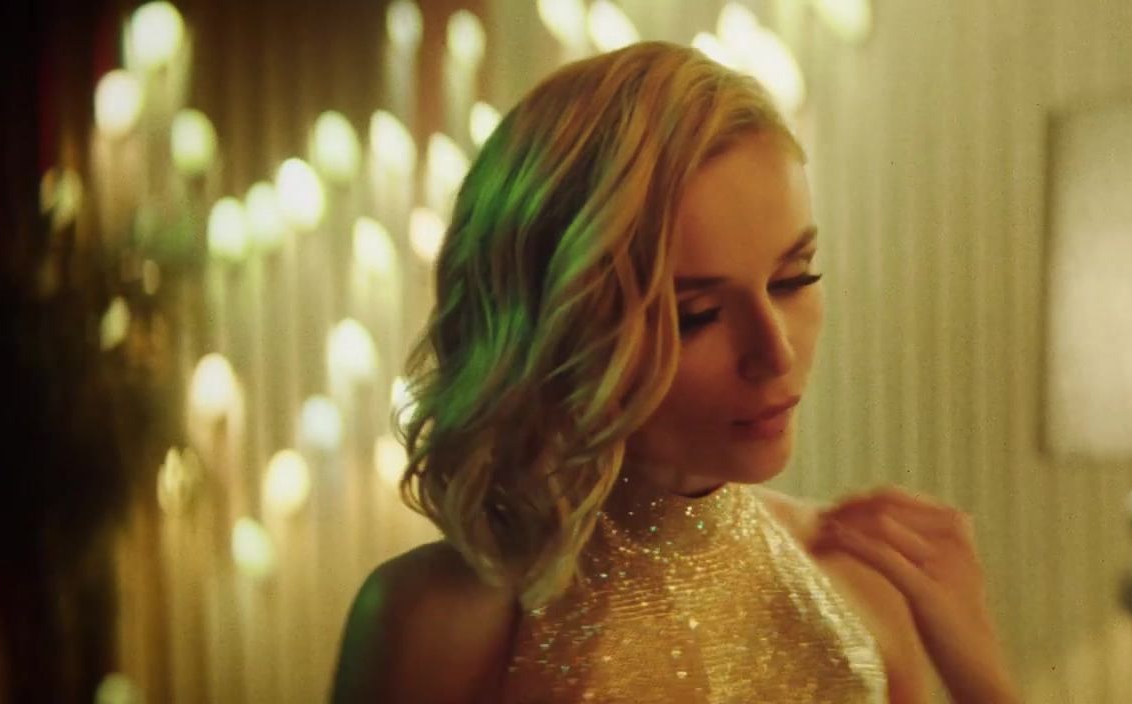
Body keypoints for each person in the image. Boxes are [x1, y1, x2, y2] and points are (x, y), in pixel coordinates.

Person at [327, 41, 1017, 703]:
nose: (774, 352)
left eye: (793, 278)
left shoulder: (862, 579)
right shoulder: (439, 622)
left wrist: (981, 679)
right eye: (696, 315)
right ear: (560, 331)